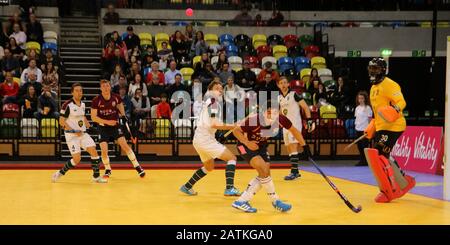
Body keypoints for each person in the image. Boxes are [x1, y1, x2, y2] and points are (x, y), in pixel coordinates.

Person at [231, 100, 312, 213]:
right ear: (263, 112)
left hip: (261, 146)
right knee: (263, 170)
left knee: (265, 174)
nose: (272, 115)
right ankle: (275, 201)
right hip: (244, 146)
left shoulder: (281, 119)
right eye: (269, 112)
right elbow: (236, 131)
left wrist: (305, 147)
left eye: (275, 112)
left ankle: (241, 201)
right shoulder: (254, 120)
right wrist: (247, 142)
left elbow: (294, 131)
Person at [363, 57, 415, 203]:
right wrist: (373, 124)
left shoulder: (390, 85)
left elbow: (401, 101)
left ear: (383, 70)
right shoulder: (373, 88)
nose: (373, 72)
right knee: (380, 156)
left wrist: (394, 110)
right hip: (381, 127)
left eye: (376, 69)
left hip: (394, 126)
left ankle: (390, 190)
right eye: (371, 69)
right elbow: (377, 110)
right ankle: (403, 180)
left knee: (379, 154)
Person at [180, 80, 241, 197]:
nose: (220, 90)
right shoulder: (213, 102)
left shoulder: (210, 102)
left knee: (209, 166)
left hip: (199, 139)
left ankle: (187, 186)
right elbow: (214, 124)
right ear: (210, 90)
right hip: (205, 139)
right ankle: (229, 188)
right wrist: (233, 125)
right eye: (217, 88)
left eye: (221, 88)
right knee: (231, 158)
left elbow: (213, 123)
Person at [52, 83, 107, 183]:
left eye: (80, 90)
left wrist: (90, 127)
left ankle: (96, 177)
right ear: (72, 92)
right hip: (71, 136)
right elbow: (61, 121)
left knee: (94, 151)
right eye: (76, 90)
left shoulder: (83, 104)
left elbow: (83, 117)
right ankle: (60, 173)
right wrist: (73, 131)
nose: (79, 93)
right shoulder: (67, 105)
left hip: (82, 134)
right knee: (77, 159)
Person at [91, 79, 145, 178]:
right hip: (103, 127)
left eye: (107, 86)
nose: (106, 88)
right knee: (104, 150)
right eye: (104, 86)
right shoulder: (96, 100)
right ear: (100, 88)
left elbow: (120, 105)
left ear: (110, 87)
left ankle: (138, 167)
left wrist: (123, 115)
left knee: (125, 145)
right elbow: (93, 117)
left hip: (115, 126)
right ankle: (107, 169)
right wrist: (108, 122)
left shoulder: (115, 97)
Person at [277, 77, 315, 180]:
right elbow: (281, 112)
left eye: (285, 82)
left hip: (295, 124)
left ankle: (293, 172)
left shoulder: (294, 94)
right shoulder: (279, 97)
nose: (283, 85)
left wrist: (309, 120)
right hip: (286, 126)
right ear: (278, 85)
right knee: (289, 148)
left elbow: (306, 107)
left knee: (293, 147)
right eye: (281, 83)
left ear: (288, 84)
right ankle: (296, 171)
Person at [354, 91, 372, 166]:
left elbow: (370, 120)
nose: (360, 100)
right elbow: (357, 118)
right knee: (359, 146)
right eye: (359, 98)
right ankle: (362, 160)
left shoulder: (367, 108)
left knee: (364, 146)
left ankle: (365, 160)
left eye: (362, 98)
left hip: (365, 130)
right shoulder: (357, 108)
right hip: (358, 129)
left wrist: (369, 130)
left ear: (365, 99)